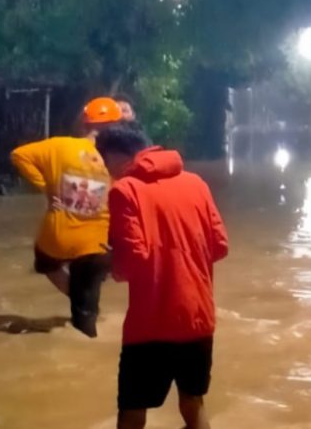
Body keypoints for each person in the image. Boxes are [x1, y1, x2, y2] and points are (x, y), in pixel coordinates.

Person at [96, 127, 229, 429]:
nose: (109, 174)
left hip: (151, 324)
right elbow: (219, 246)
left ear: (117, 156)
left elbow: (133, 262)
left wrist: (109, 262)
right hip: (199, 318)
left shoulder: (125, 191)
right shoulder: (196, 183)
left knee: (132, 410)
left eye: (106, 165)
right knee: (193, 404)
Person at [10, 97, 121, 338]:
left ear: (84, 123)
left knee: (46, 262)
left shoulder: (59, 146)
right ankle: (86, 314)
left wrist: (47, 188)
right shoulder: (117, 160)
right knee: (87, 313)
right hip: (99, 245)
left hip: (58, 239)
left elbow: (19, 155)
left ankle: (80, 300)